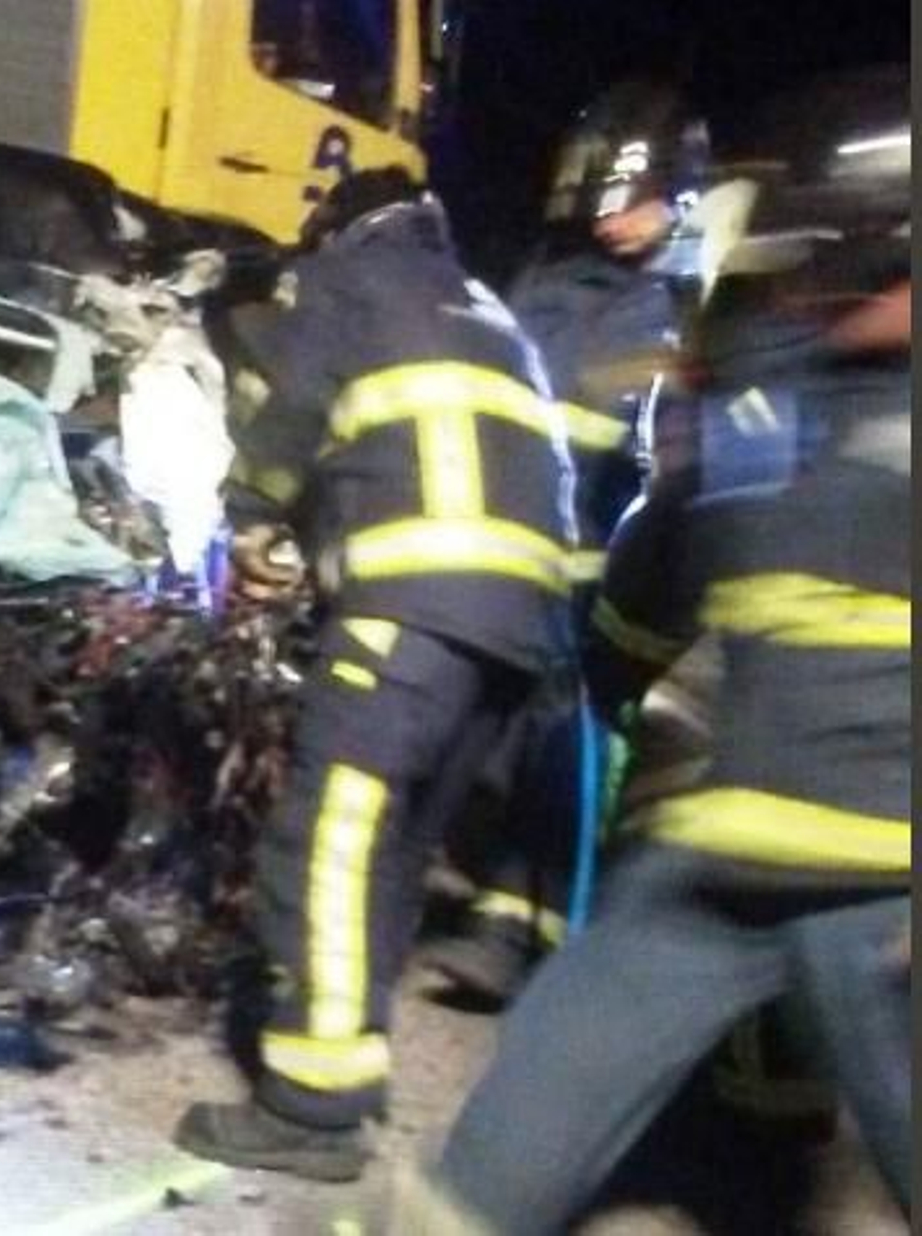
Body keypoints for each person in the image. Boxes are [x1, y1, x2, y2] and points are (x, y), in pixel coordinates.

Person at [396, 65, 912, 1233]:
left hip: (890, 878)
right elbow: (659, 581)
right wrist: (610, 668)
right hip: (728, 854)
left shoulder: (767, 392)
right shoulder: (764, 388)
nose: (821, 297)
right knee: (499, 1147)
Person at [172, 168, 575, 1181]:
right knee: (389, 853)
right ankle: (352, 1059)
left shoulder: (350, 282)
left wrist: (247, 514)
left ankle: (311, 1110)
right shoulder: (483, 308)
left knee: (326, 845)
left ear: (340, 233)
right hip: (518, 629)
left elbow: (289, 416)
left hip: (416, 610)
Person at [430, 80, 708, 1004]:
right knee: (478, 734)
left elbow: (673, 467)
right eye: (608, 195)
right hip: (496, 555)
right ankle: (485, 905)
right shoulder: (543, 286)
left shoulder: (686, 315)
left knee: (562, 755)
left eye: (638, 198)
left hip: (597, 585)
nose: (618, 216)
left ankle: (519, 934)